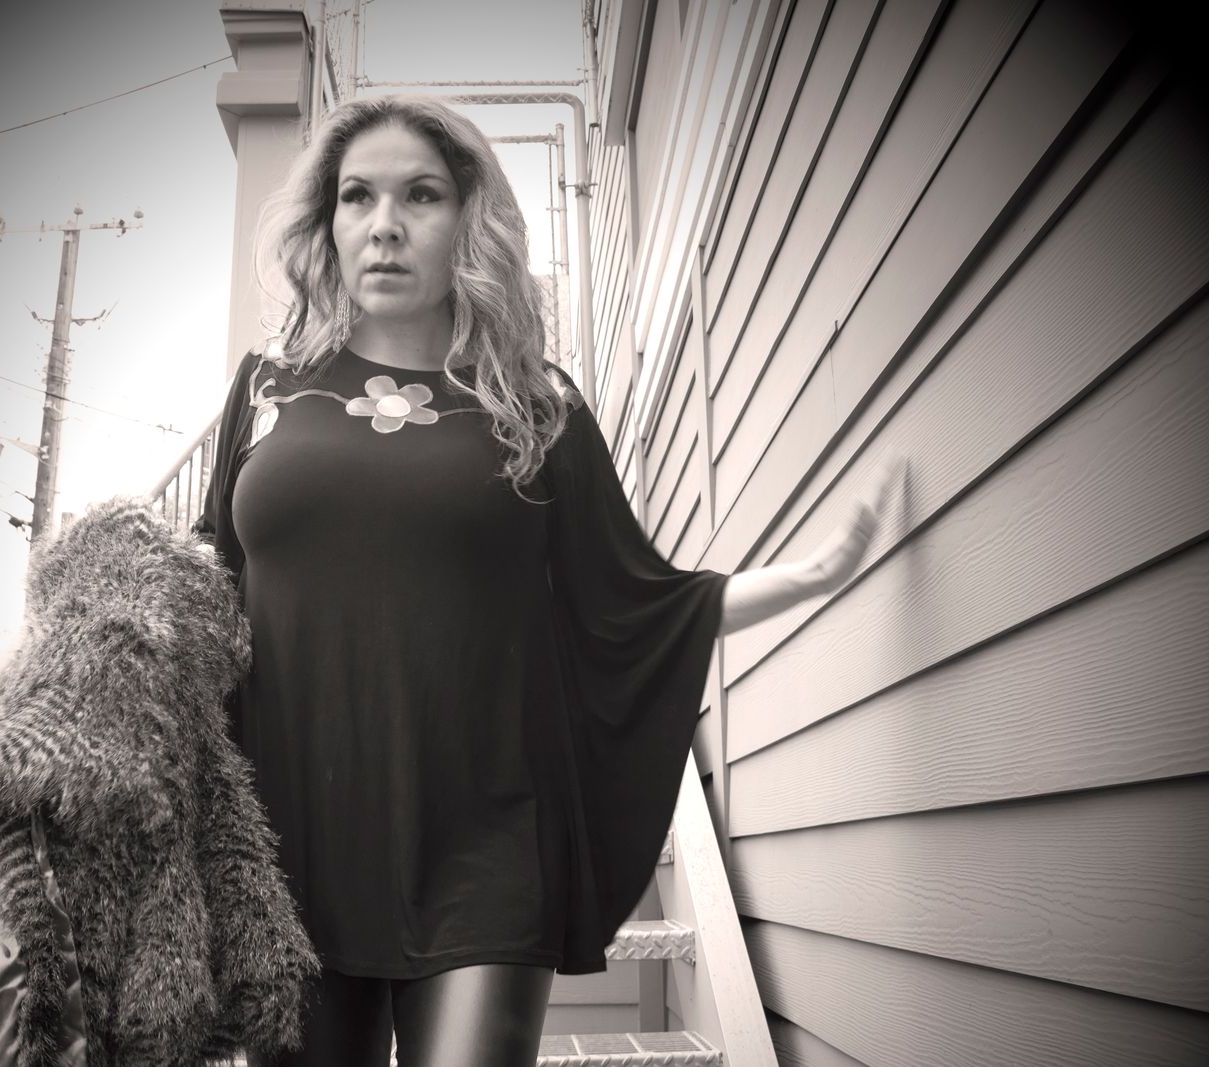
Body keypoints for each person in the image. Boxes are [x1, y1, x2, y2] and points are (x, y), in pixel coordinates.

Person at [196, 94, 899, 1066]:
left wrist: (813, 575)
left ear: (468, 219)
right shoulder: (266, 389)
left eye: (420, 194)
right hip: (286, 853)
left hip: (484, 847)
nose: (385, 223)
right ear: (328, 220)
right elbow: (197, 594)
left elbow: (637, 607)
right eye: (358, 195)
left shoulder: (534, 407)